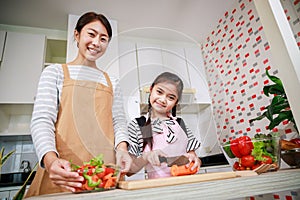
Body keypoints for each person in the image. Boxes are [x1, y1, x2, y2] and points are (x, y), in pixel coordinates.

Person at [26, 12, 132, 197]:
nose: (96, 42)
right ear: (77, 34)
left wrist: (122, 149)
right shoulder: (55, 73)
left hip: (104, 175)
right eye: (91, 34)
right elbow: (43, 120)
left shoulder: (112, 82)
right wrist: (50, 160)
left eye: (103, 38)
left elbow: (118, 121)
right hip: (63, 174)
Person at [127, 72, 201, 179]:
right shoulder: (138, 125)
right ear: (151, 89)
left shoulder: (180, 124)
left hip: (187, 184)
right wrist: (147, 156)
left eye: (170, 97)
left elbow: (192, 157)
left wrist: (195, 160)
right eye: (159, 92)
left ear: (176, 102)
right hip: (158, 189)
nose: (162, 100)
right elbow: (129, 170)